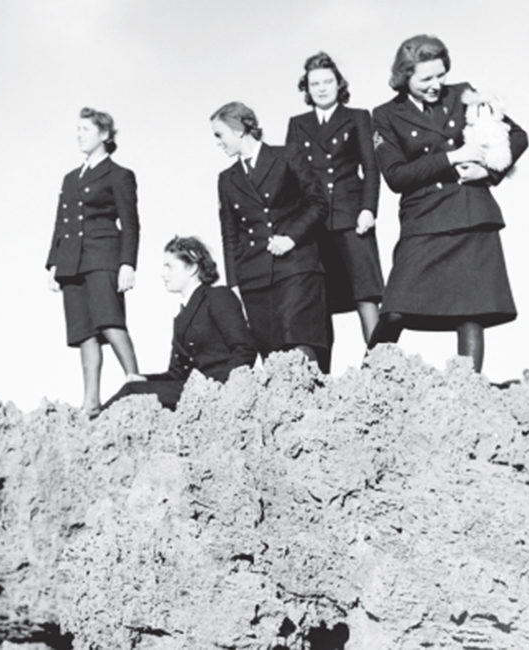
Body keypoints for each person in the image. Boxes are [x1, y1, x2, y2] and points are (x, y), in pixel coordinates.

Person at [368, 34, 528, 373]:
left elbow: (518, 136)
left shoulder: (464, 94)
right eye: (426, 78)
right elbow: (395, 176)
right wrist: (453, 157)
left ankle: (467, 390)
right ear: (404, 77)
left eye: (440, 75)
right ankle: (365, 384)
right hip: (423, 219)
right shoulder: (384, 116)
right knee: (395, 308)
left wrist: (487, 172)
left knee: (472, 311)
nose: (436, 85)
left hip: (472, 213)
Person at [211, 101, 330, 365]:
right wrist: (234, 284)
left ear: (239, 129)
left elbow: (318, 203)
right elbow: (230, 233)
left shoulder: (287, 156)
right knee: (273, 357)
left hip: (296, 266)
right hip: (254, 277)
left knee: (299, 346)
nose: (218, 142)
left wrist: (291, 238)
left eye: (220, 135)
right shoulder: (227, 179)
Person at [46, 107, 144, 417]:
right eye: (77, 129)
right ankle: (91, 400)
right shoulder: (70, 177)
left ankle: (134, 378)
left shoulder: (119, 175)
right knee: (83, 331)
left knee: (109, 319)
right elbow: (61, 223)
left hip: (104, 256)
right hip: (71, 262)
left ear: (104, 134)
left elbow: (131, 223)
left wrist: (127, 263)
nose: (79, 135)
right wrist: (53, 264)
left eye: (85, 129)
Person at [286, 51, 383, 353]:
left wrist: (369, 209)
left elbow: (370, 167)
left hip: (352, 217)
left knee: (365, 292)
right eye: (315, 83)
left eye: (328, 81)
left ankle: (382, 367)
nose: (322, 88)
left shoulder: (357, 117)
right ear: (306, 88)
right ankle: (320, 377)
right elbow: (291, 177)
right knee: (318, 298)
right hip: (314, 222)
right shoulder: (298, 123)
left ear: (339, 84)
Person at [104, 236, 257, 410]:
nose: (163, 274)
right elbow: (176, 374)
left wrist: (224, 388)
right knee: (133, 387)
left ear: (192, 267)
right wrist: (145, 379)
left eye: (169, 266)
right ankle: (87, 428)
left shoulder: (218, 297)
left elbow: (245, 349)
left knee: (131, 391)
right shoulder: (182, 316)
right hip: (189, 390)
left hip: (212, 391)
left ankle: (88, 427)